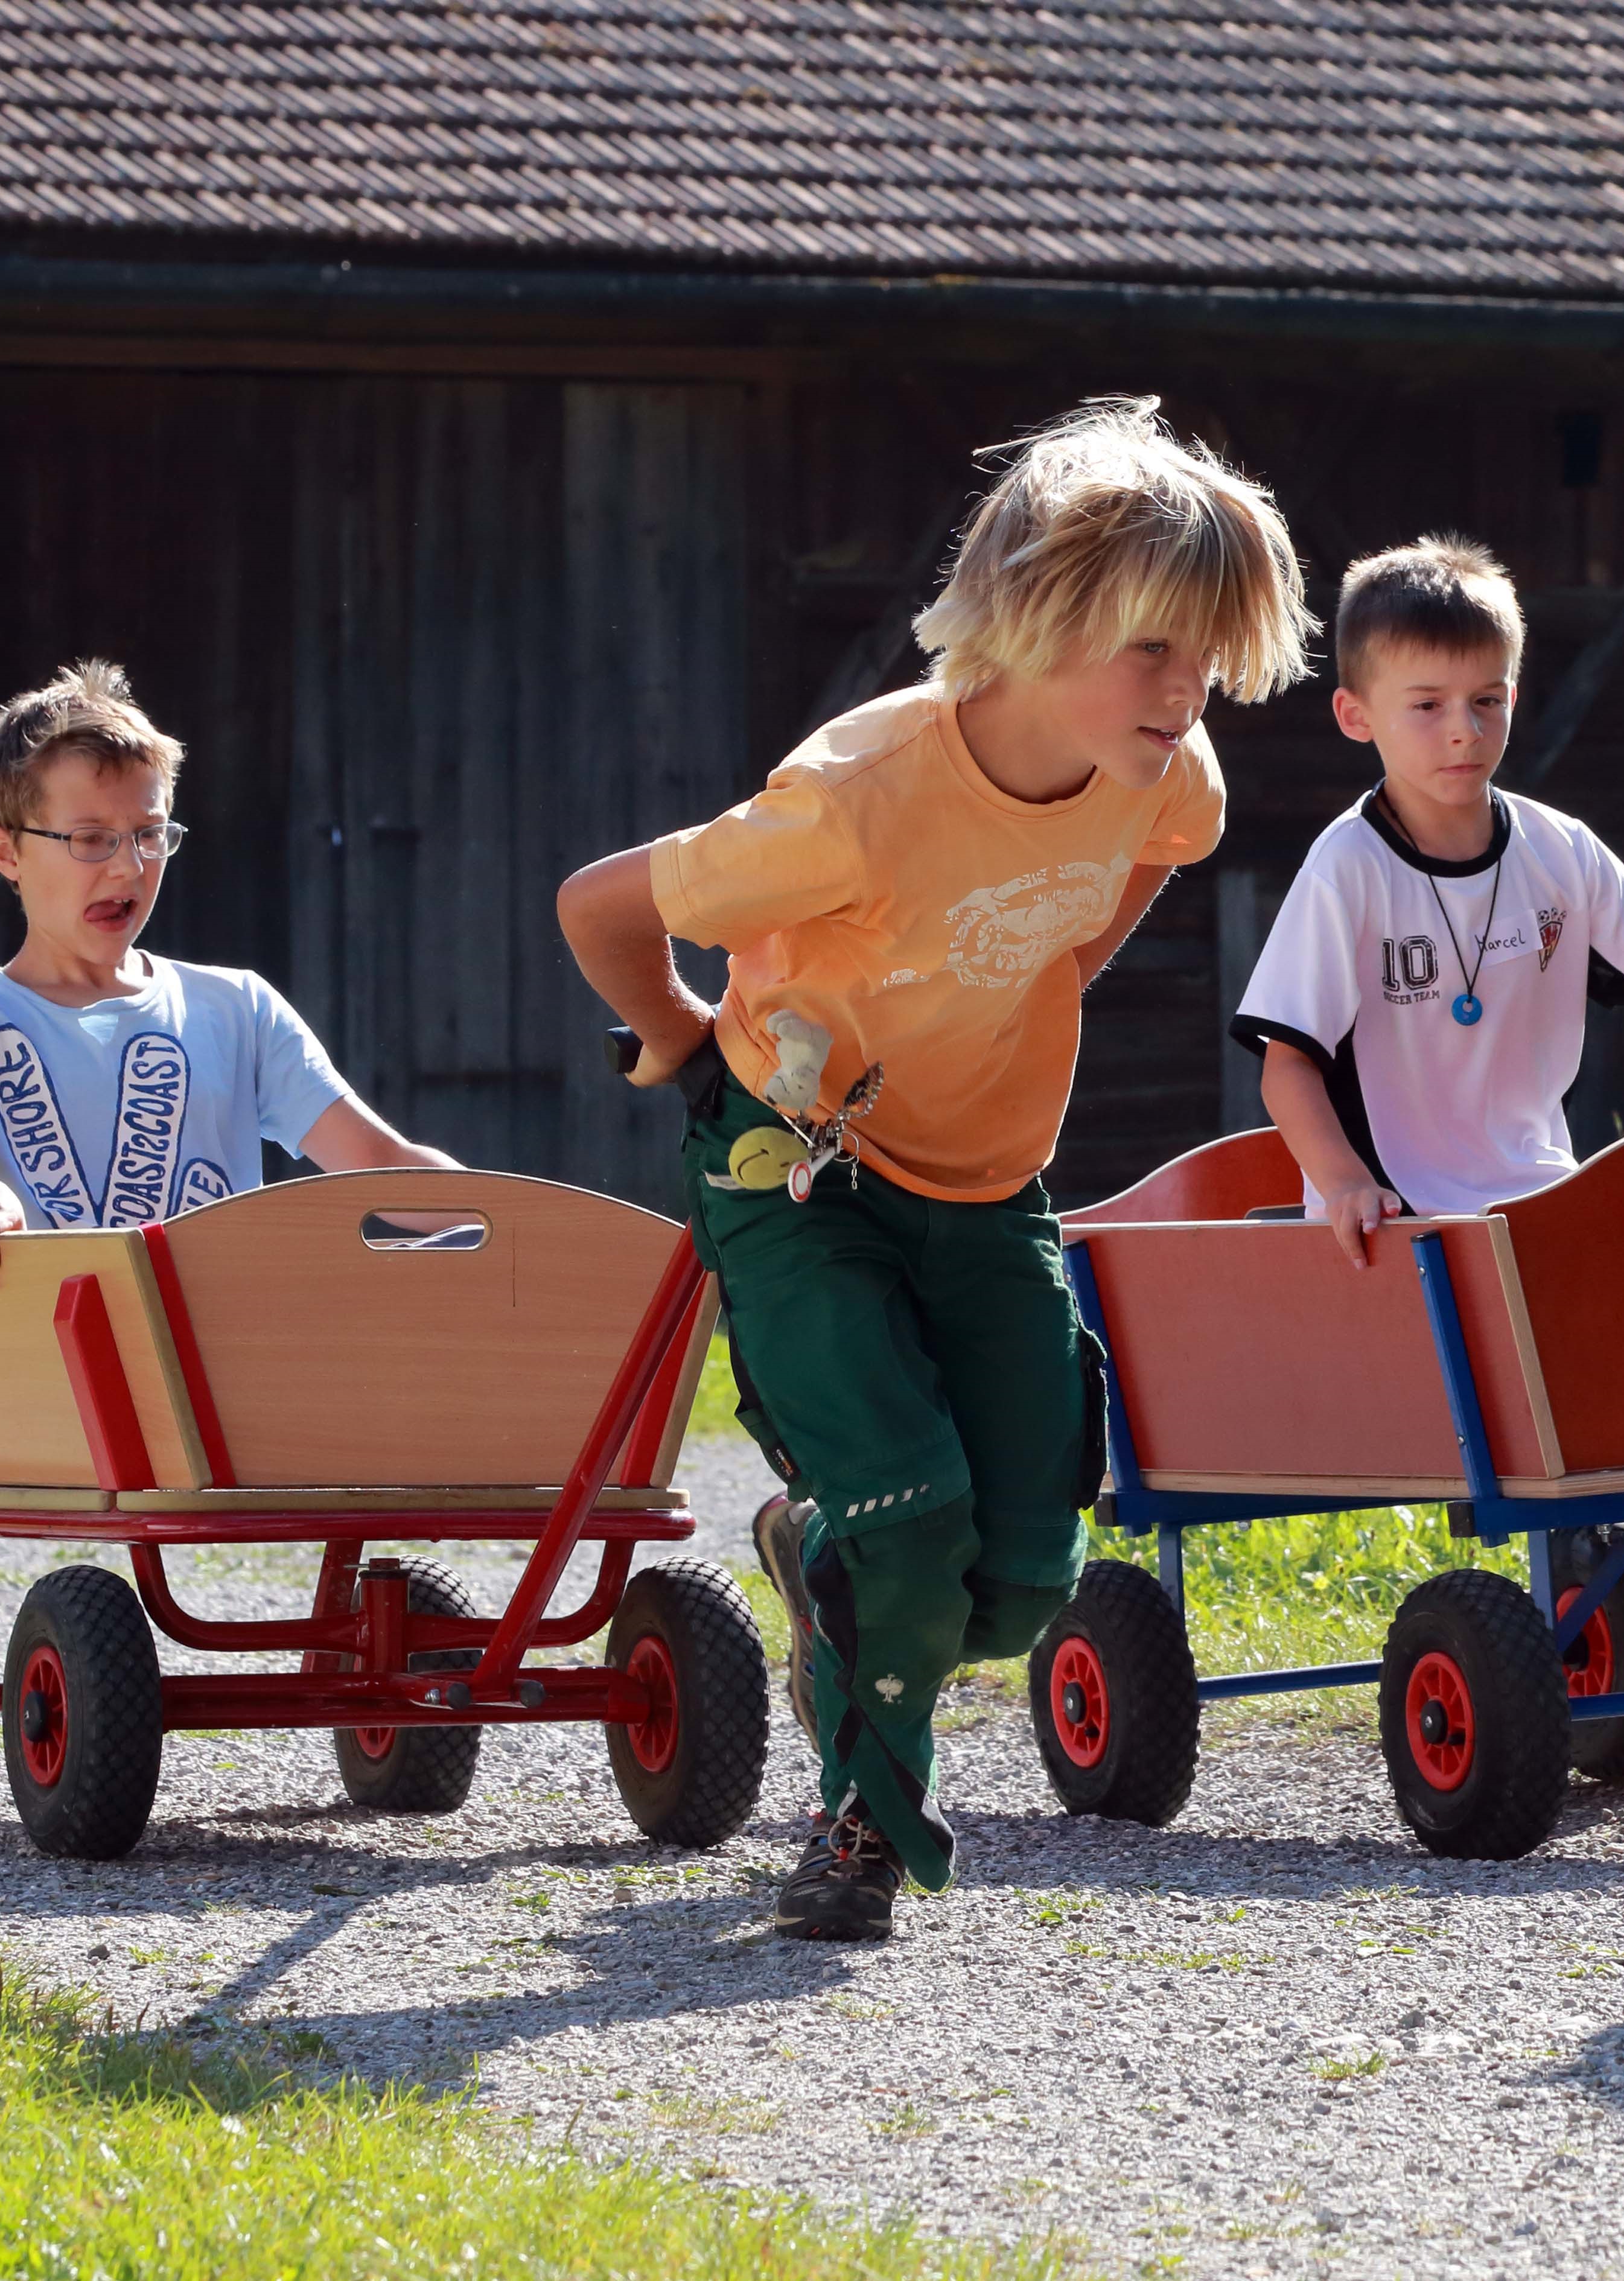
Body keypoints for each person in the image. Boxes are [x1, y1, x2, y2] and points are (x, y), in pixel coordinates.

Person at [555, 399, 1311, 1940]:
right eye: (1153, 650)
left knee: (1024, 1575)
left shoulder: (1170, 776)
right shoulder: (853, 799)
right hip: (796, 1170)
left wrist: (1036, 982)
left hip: (986, 1184)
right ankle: (859, 1837)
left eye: (1208, 655)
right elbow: (599, 907)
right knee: (912, 1524)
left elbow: (1125, 879)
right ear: (1036, 612)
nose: (1188, 691)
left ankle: (809, 1554)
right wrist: (683, 1045)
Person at [1232, 536, 1624, 1264]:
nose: (1464, 728)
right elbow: (1286, 1065)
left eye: (1486, 699)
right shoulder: (1346, 867)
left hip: (1543, 1208)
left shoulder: (1564, 851)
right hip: (1394, 1230)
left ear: (1512, 696)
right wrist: (1345, 1183)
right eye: (1426, 704)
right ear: (1356, 717)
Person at [0, 660, 453, 1283]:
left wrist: (514, 1222)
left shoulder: (238, 1008)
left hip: (221, 1364)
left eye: (148, 835)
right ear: (7, 851)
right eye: (90, 839)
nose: (128, 868)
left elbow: (378, 1160)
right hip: (51, 1359)